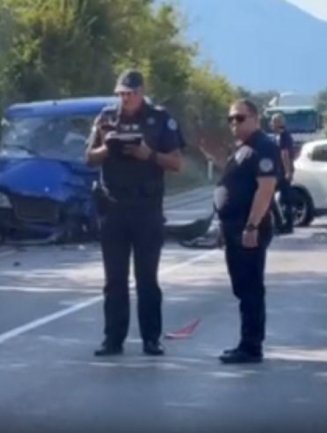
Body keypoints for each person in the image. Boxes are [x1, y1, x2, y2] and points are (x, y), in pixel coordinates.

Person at [85, 69, 183, 357]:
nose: (125, 99)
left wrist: (148, 154)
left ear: (141, 92)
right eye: (121, 94)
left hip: (146, 208)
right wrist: (107, 147)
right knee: (114, 280)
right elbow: (88, 158)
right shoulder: (106, 117)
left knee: (147, 279)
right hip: (113, 208)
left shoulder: (160, 118)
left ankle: (151, 339)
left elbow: (177, 163)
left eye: (130, 93)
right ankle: (113, 339)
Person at [199, 99, 279, 364]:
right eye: (231, 119)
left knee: (251, 288)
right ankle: (247, 342)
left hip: (249, 228)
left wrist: (252, 225)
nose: (234, 123)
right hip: (233, 227)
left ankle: (251, 346)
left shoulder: (263, 147)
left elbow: (265, 189)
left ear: (255, 118)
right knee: (242, 287)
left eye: (240, 118)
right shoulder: (242, 149)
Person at [269, 113, 295, 234]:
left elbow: (285, 154)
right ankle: (282, 223)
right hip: (279, 171)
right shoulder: (278, 136)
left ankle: (284, 224)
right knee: (280, 198)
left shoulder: (284, 136)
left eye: (273, 121)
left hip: (281, 172)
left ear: (278, 123)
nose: (271, 124)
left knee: (282, 198)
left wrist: (287, 171)